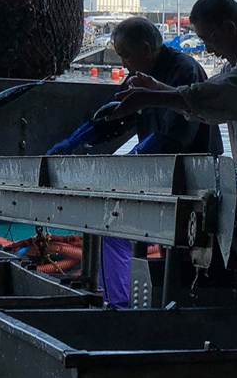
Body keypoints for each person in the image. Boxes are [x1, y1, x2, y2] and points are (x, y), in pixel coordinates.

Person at [47, 16, 223, 308]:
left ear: (146, 48)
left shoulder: (184, 71)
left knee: (182, 252)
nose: (125, 64)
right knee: (114, 229)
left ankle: (164, 306)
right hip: (158, 178)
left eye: (127, 56)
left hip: (195, 181)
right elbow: (116, 116)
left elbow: (175, 135)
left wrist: (135, 157)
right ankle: (120, 304)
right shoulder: (139, 76)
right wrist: (76, 140)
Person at [113, 0, 237, 167]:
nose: (208, 50)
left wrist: (150, 97)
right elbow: (209, 95)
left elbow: (210, 97)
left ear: (229, 28)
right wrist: (157, 88)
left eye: (208, 40)